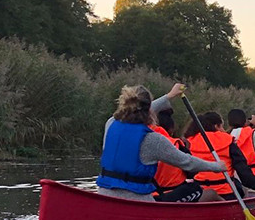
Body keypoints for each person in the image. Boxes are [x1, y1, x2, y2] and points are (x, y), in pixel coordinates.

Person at [97, 85, 226, 201]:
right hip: (138, 201)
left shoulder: (110, 124)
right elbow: (187, 162)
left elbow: (137, 108)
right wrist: (216, 167)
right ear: (149, 111)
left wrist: (169, 96)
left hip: (105, 195)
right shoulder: (152, 139)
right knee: (195, 189)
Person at [186, 112, 255, 200]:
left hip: (198, 193)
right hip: (227, 193)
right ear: (216, 126)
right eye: (222, 126)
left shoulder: (189, 142)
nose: (223, 129)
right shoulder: (228, 141)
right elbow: (243, 171)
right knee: (241, 186)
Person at [151, 109, 223, 203]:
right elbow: (192, 171)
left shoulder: (142, 143)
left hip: (149, 194)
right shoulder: (176, 144)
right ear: (171, 130)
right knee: (205, 191)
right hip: (167, 196)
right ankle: (232, 211)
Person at [103, 82, 186, 150]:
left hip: (107, 170)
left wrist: (169, 96)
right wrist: (169, 95)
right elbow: (143, 109)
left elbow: (141, 109)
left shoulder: (111, 123)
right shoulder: (149, 137)